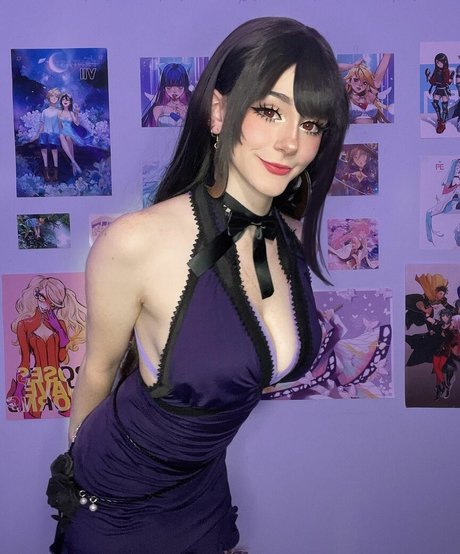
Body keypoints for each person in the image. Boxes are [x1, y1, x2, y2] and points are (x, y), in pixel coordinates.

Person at [47, 17, 348, 554]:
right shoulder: (135, 242)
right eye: (270, 110)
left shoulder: (289, 238)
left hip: (204, 487)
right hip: (117, 499)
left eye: (311, 124)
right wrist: (76, 480)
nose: (290, 143)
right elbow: (97, 371)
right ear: (218, 111)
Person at [141, 62, 192, 127]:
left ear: (185, 86)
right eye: (169, 87)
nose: (174, 91)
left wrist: (186, 118)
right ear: (164, 87)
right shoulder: (158, 109)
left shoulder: (188, 108)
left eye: (180, 87)